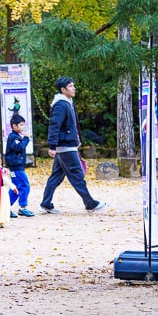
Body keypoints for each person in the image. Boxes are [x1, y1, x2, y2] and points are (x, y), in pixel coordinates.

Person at [39, 77, 105, 214]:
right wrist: (52, 145)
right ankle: (90, 203)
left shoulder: (68, 103)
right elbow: (54, 125)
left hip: (66, 146)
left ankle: (46, 203)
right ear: (63, 90)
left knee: (56, 176)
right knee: (76, 175)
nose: (74, 88)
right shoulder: (61, 105)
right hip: (65, 147)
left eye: (73, 85)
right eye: (70, 86)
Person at [5, 115, 34, 217]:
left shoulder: (15, 137)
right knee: (24, 185)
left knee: (15, 188)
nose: (23, 128)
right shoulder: (13, 137)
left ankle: (5, 208)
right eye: (21, 125)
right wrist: (26, 138)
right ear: (14, 126)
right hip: (16, 167)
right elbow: (19, 147)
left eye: (23, 125)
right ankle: (22, 207)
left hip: (17, 166)